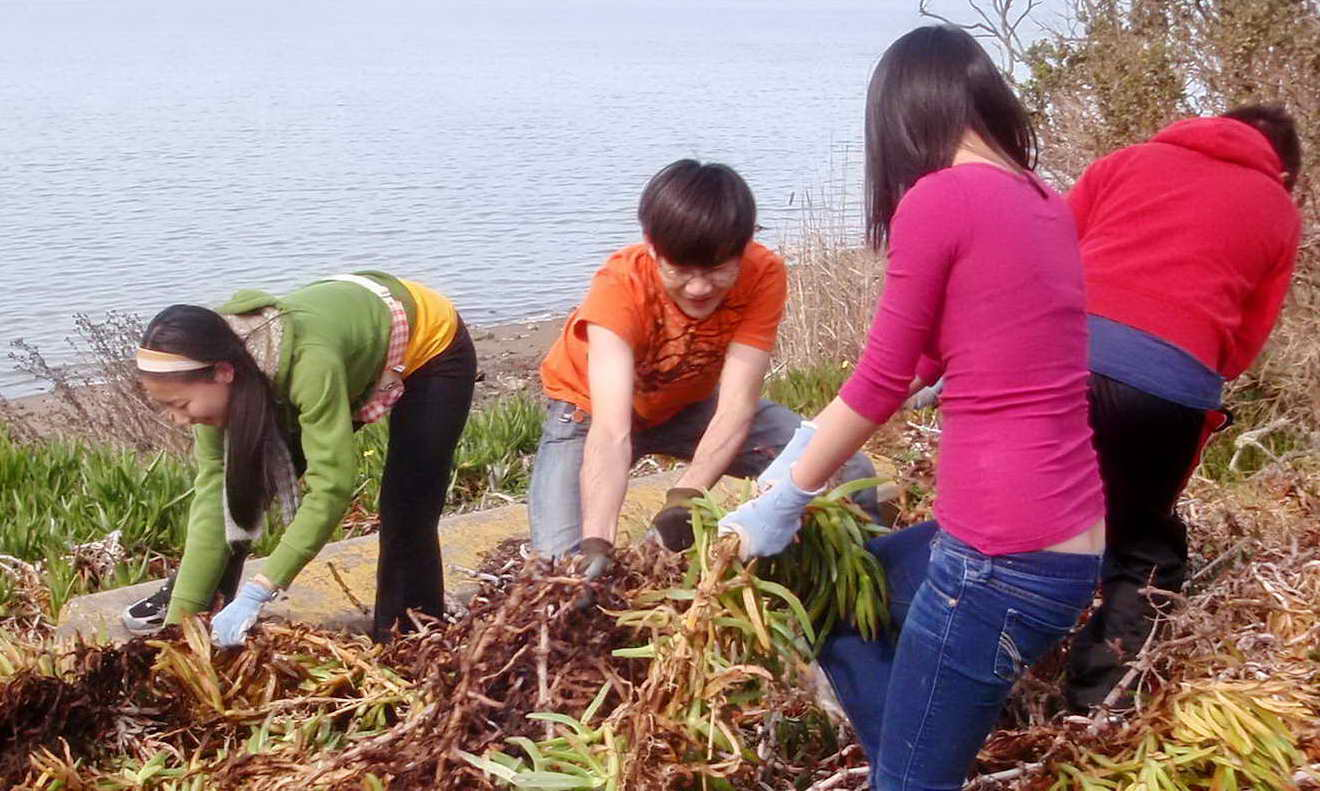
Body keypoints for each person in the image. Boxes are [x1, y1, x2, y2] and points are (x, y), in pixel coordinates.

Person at [719, 26, 1106, 791]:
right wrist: (808, 440)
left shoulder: (939, 198)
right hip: (1068, 544)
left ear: (898, 121)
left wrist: (789, 493)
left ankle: (912, 759)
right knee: (845, 598)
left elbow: (882, 379)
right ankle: (914, 735)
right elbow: (929, 356)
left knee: (911, 785)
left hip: (997, 559)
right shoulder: (1043, 200)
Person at [529, 158, 883, 572]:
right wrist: (597, 541)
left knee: (846, 469)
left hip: (688, 403)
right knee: (562, 566)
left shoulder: (762, 273)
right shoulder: (619, 287)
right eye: (679, 270)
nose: (698, 288)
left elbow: (736, 405)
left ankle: (867, 591)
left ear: (744, 245)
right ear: (652, 246)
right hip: (589, 413)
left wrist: (686, 497)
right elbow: (610, 431)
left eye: (716, 269)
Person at [1062, 106, 1303, 711]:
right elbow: (1241, 347)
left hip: (1058, 354)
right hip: (1167, 383)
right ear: (1285, 169)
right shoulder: (1278, 210)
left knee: (1035, 508)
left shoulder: (1125, 162)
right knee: (1144, 546)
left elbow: (1048, 254)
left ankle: (984, 667)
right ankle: (1094, 706)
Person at [121, 272, 476, 645]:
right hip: (342, 334)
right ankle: (201, 603)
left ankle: (408, 636)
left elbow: (331, 488)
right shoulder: (209, 362)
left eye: (179, 406)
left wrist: (261, 589)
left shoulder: (310, 363)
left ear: (224, 373)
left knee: (407, 505)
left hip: (431, 343)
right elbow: (217, 494)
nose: (180, 420)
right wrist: (182, 624)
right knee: (244, 483)